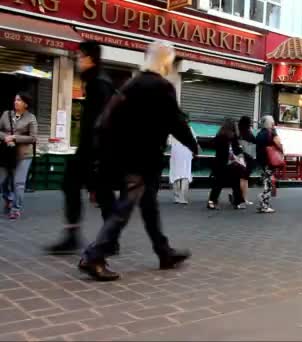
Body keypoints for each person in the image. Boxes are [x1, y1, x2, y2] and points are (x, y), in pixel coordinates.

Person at [78, 41, 199, 281]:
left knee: (149, 205)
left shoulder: (132, 83)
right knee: (124, 208)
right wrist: (192, 144)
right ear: (165, 60)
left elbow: (108, 120)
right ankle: (94, 255)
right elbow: (174, 120)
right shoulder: (161, 86)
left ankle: (163, 252)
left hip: (124, 156)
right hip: (141, 159)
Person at [46, 41, 118, 255]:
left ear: (90, 58)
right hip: (93, 150)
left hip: (95, 151)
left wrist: (96, 154)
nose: (78, 61)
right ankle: (101, 238)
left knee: (97, 193)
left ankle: (92, 238)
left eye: (80, 57)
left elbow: (101, 121)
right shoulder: (97, 81)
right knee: (93, 192)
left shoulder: (99, 83)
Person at [0, 92, 37, 220]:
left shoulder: (31, 118)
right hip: (6, 153)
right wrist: (6, 137)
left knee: (18, 183)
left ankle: (16, 209)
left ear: (26, 104)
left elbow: (33, 137)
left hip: (23, 155)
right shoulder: (6, 114)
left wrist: (15, 137)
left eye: (19, 100)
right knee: (3, 181)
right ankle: (8, 198)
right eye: (15, 99)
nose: (16, 102)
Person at [208, 119, 245, 210]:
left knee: (217, 184)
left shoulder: (219, 136)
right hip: (232, 164)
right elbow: (237, 149)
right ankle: (238, 202)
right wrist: (240, 155)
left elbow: (213, 145)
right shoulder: (233, 136)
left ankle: (212, 202)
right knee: (236, 183)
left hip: (220, 163)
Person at [256, 115, 282, 214]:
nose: (273, 123)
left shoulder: (260, 133)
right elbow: (278, 143)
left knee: (267, 181)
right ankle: (264, 203)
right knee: (268, 184)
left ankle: (264, 204)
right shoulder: (272, 132)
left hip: (262, 161)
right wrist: (283, 150)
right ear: (270, 123)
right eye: (272, 122)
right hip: (270, 161)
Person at [169, 133, 194, 205]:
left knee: (175, 174)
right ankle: (183, 198)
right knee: (185, 174)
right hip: (185, 154)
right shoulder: (189, 130)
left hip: (176, 154)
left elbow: (169, 142)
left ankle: (177, 197)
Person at [237, 116, 256, 205]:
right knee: (245, 179)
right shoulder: (248, 133)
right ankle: (244, 199)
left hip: (241, 157)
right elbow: (254, 142)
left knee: (241, 178)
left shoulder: (239, 132)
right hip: (249, 157)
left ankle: (240, 198)